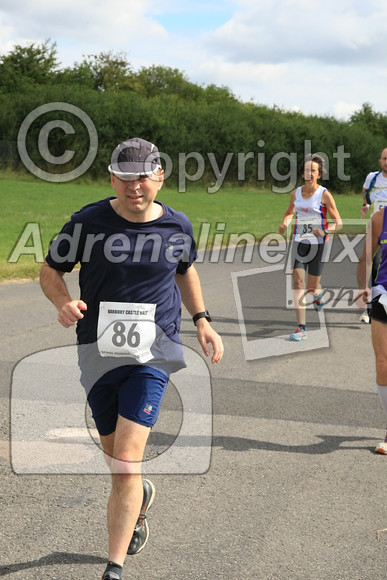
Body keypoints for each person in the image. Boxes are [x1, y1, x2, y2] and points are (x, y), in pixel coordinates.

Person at [39, 138, 224, 580]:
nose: (134, 185)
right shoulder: (88, 222)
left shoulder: (177, 226)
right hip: (96, 355)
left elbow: (185, 270)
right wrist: (63, 303)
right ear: (111, 178)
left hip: (153, 356)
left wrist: (201, 319)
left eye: (142, 176)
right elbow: (50, 271)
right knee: (116, 460)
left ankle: (113, 568)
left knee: (124, 459)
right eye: (125, 176)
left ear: (160, 177)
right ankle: (139, 501)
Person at [279, 154, 342, 341]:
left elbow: (338, 223)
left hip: (319, 245)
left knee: (312, 287)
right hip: (300, 242)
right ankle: (301, 327)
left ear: (319, 174)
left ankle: (318, 294)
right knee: (298, 281)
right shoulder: (295, 193)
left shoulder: (324, 195)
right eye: (306, 170)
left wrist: (325, 230)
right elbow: (289, 213)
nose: (309, 173)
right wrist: (285, 223)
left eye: (313, 170)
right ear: (302, 173)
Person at [356, 206, 387, 454]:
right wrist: (362, 287)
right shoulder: (380, 218)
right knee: (382, 364)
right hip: (383, 295)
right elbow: (366, 258)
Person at [359, 147, 387, 323]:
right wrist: (366, 206)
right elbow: (365, 195)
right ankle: (371, 309)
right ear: (380, 161)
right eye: (384, 158)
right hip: (377, 228)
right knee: (374, 266)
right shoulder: (372, 178)